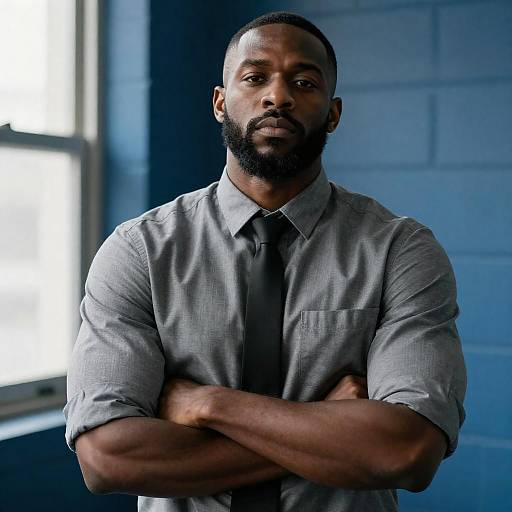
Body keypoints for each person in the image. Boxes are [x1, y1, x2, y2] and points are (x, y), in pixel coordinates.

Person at [64, 11, 466, 512]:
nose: (278, 96)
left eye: (303, 82)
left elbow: (407, 451)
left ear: (334, 113)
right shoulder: (139, 252)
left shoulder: (399, 252)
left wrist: (207, 405)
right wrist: (324, 424)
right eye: (255, 78)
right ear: (219, 102)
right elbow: (106, 459)